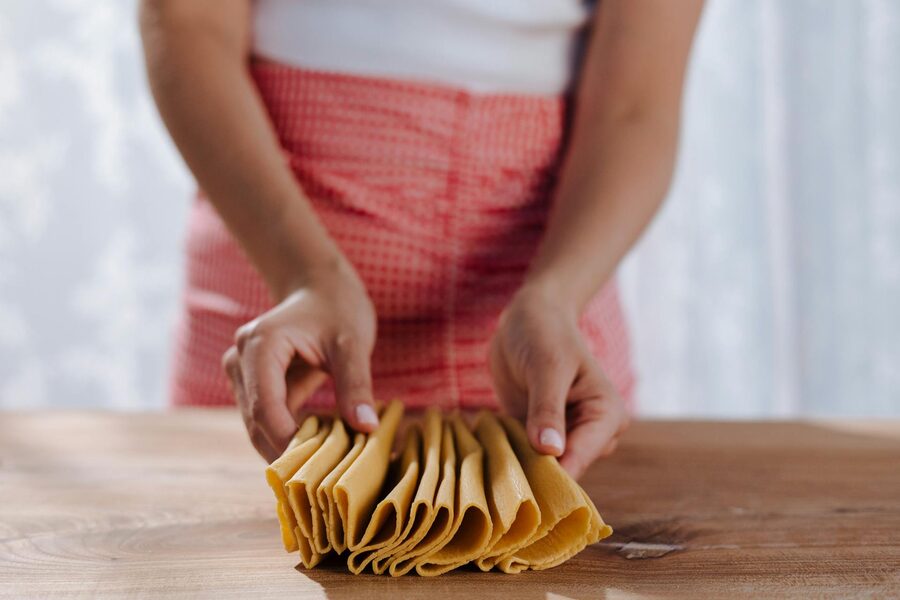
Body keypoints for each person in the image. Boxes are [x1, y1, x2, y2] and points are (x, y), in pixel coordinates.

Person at [140, 0, 703, 479]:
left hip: (543, 352)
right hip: (277, 330)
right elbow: (186, 21)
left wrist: (554, 298)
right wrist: (302, 274)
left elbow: (636, 108)